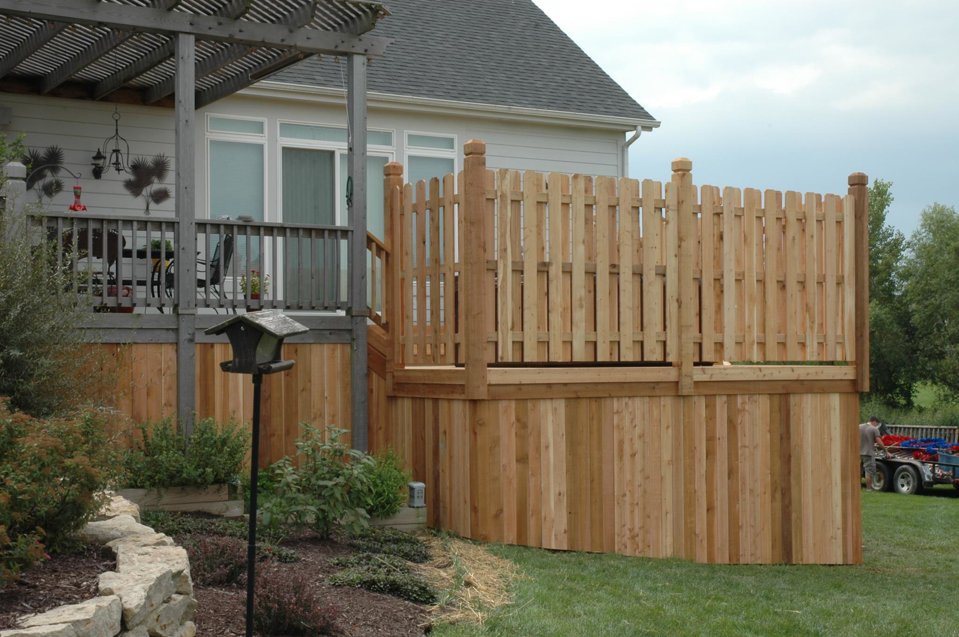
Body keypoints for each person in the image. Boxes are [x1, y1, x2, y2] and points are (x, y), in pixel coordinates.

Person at [860, 416, 888, 490]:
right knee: (869, 471)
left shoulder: (859, 427)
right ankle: (869, 488)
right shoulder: (874, 429)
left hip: (858, 453)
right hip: (868, 453)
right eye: (877, 424)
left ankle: (858, 487)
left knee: (858, 470)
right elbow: (879, 442)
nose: (876, 425)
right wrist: (886, 451)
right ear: (875, 422)